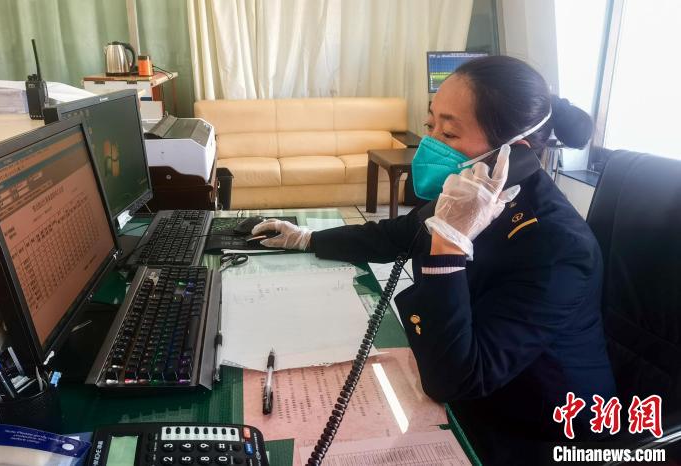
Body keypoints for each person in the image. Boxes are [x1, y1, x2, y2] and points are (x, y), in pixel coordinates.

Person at [252, 56, 615, 464]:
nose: (431, 143)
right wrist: (307, 238)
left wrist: (449, 246)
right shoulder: (468, 190)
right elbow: (394, 235)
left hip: (536, 430)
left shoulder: (557, 246)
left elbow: (454, 380)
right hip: (465, 387)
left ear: (514, 154)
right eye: (431, 126)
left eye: (450, 132)